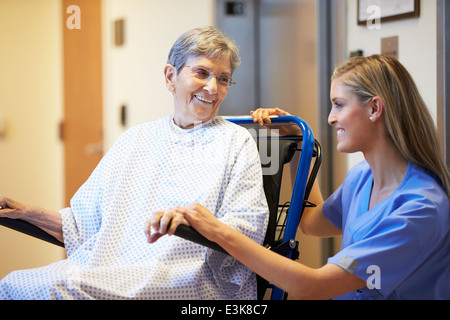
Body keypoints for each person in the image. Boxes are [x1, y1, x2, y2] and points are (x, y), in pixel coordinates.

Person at [0, 26, 269, 300]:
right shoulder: (136, 139)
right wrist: (28, 212)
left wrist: (193, 222)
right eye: (201, 73)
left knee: (59, 288)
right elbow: (82, 223)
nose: (212, 88)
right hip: (111, 271)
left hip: (188, 279)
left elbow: (249, 226)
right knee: (14, 284)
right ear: (170, 77)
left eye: (223, 79)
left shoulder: (236, 141)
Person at [166, 55, 450, 300]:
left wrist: (218, 232)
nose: (330, 118)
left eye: (339, 104)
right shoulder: (362, 177)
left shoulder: (420, 209)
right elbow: (312, 223)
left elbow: (314, 286)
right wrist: (299, 144)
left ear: (374, 108)